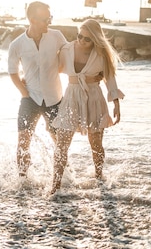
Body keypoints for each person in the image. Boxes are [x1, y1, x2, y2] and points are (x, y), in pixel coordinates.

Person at [49, 18, 123, 194]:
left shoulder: (101, 54)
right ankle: (55, 187)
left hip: (94, 98)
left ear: (95, 39)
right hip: (71, 97)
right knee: (61, 145)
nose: (81, 41)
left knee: (96, 144)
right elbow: (50, 69)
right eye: (80, 36)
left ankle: (99, 178)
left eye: (87, 39)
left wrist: (116, 104)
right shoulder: (66, 49)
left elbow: (110, 79)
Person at [8, 1, 67, 177]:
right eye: (45, 19)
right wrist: (24, 93)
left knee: (59, 141)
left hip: (55, 98)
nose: (49, 22)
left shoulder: (57, 36)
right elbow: (12, 72)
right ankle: (22, 180)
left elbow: (70, 56)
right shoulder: (17, 44)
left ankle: (64, 177)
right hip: (30, 99)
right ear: (32, 19)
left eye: (50, 18)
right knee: (23, 141)